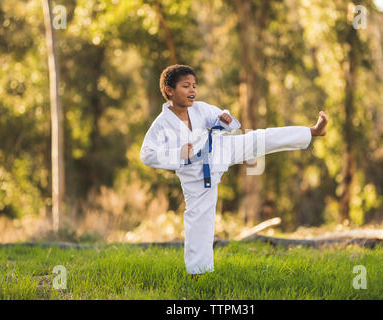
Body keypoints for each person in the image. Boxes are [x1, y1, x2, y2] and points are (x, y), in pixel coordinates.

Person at [140, 64, 329, 279]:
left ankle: (311, 132)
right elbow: (146, 154)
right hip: (196, 175)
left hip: (219, 151)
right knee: (199, 219)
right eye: (186, 86)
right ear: (169, 90)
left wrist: (228, 120)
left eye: (194, 85)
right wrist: (179, 153)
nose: (192, 90)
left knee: (259, 138)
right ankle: (198, 273)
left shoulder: (200, 109)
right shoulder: (161, 124)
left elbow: (224, 117)